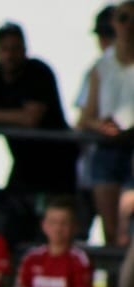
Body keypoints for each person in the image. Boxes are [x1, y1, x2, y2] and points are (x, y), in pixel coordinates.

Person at [0, 23, 80, 239]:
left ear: (25, 50)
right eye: (5, 49)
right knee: (14, 222)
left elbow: (31, 118)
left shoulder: (38, 72)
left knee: (53, 226)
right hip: (22, 165)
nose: (10, 56)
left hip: (57, 164)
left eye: (15, 49)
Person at [79, 2, 134, 247]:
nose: (129, 25)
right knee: (112, 232)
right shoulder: (101, 67)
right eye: (123, 19)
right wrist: (101, 126)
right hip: (106, 150)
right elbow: (84, 118)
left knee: (127, 231)